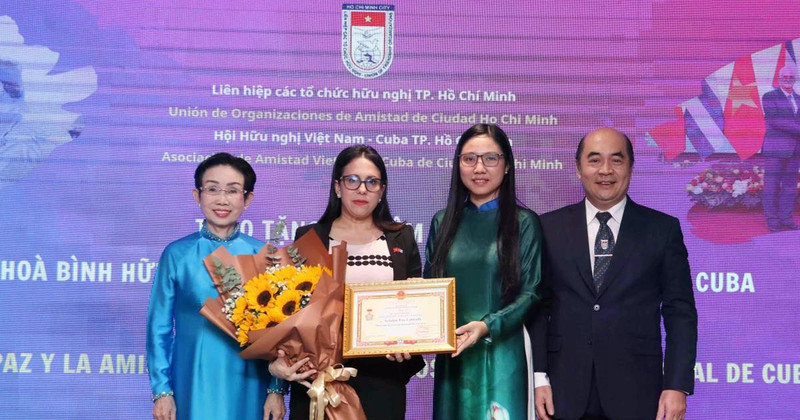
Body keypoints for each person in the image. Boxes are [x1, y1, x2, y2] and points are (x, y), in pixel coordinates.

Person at [529, 127, 698, 420]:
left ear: (631, 167)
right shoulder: (547, 228)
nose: (605, 170)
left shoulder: (662, 230)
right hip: (562, 389)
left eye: (616, 160)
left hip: (637, 390)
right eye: (594, 160)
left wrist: (677, 386)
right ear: (578, 168)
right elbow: (538, 308)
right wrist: (538, 376)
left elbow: (680, 312)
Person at [147, 152, 312, 420]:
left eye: (232, 191)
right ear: (196, 195)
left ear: (247, 199)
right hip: (191, 377)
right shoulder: (177, 253)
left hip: (250, 379)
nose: (222, 200)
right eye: (212, 189)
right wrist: (162, 391)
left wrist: (276, 389)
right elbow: (159, 329)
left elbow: (281, 334)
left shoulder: (265, 254)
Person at [289, 145, 425, 420]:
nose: (362, 189)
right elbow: (291, 312)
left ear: (382, 190)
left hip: (382, 378)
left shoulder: (402, 238)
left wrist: (409, 341)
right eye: (352, 180)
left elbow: (415, 306)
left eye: (371, 182)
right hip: (319, 378)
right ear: (338, 187)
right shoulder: (309, 237)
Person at [425, 124, 541, 419]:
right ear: (458, 165)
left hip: (502, 353)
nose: (479, 168)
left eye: (490, 158)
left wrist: (486, 325)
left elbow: (532, 292)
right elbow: (428, 291)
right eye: (469, 159)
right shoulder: (442, 222)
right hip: (453, 358)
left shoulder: (524, 222)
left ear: (507, 166)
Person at [761, 64, 800, 232]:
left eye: (791, 77)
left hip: (795, 151)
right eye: (785, 76)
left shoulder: (799, 99)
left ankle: (786, 219)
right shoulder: (769, 96)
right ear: (779, 79)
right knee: (771, 185)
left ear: (795, 79)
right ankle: (772, 220)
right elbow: (775, 120)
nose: (788, 79)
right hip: (775, 150)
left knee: (790, 186)